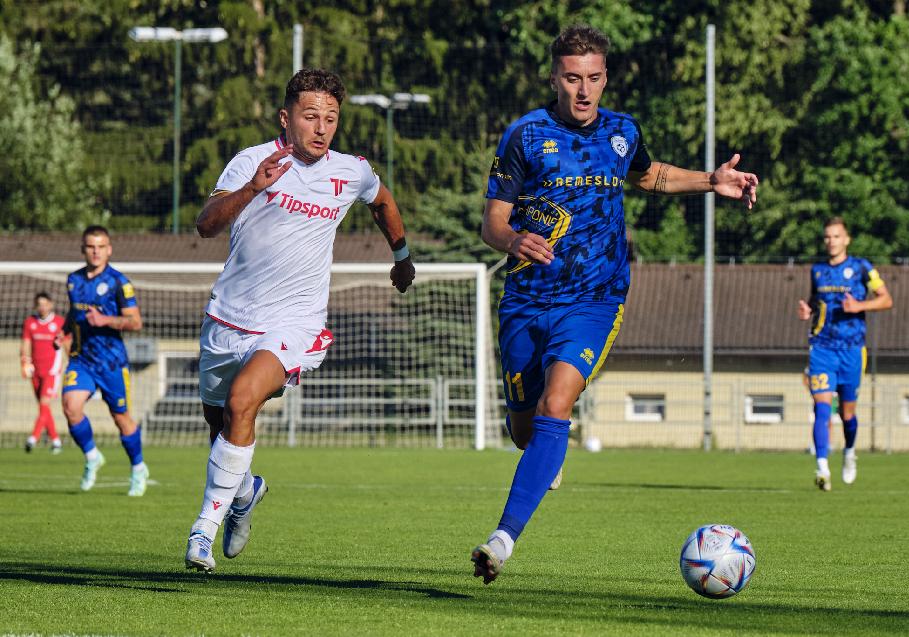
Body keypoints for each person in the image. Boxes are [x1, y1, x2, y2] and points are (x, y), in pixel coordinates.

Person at [471, 24, 759, 585]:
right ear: (553, 78)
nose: (583, 90)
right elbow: (492, 223)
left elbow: (650, 175)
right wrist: (513, 240)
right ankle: (544, 454)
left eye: (594, 78)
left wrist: (711, 180)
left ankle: (501, 540)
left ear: (605, 78)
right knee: (525, 426)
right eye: (572, 78)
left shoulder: (623, 131)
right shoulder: (524, 136)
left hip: (596, 299)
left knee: (557, 405)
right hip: (527, 299)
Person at [184, 68, 415, 573]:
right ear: (286, 119)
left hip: (294, 322)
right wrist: (253, 188)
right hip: (228, 318)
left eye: (331, 118)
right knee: (221, 426)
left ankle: (203, 529)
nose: (321, 127)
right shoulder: (252, 161)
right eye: (311, 116)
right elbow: (205, 225)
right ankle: (244, 491)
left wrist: (401, 257)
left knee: (243, 400)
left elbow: (382, 201)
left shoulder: (350, 171)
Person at [797, 217, 892, 491]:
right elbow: (815, 302)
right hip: (822, 347)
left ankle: (849, 452)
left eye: (836, 236)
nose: (831, 241)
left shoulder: (862, 268)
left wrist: (860, 306)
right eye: (827, 237)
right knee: (822, 408)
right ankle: (822, 468)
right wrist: (807, 310)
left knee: (847, 415)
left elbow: (886, 299)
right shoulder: (817, 271)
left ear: (846, 239)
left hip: (852, 349)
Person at [61, 226, 147, 495]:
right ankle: (92, 456)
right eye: (90, 246)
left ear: (109, 250)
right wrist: (63, 332)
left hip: (111, 362)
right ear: (83, 249)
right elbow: (74, 313)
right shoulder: (73, 280)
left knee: (120, 418)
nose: (95, 251)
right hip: (82, 359)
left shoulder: (119, 282)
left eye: (101, 246)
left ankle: (138, 468)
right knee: (70, 407)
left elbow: (136, 322)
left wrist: (105, 320)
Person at [21, 292, 66, 454]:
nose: (42, 307)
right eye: (39, 304)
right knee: (43, 408)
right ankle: (56, 441)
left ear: (51, 304)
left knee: (44, 403)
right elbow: (26, 343)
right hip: (35, 370)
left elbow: (67, 343)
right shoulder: (30, 322)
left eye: (45, 304)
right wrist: (25, 362)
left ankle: (33, 438)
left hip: (52, 371)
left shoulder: (59, 322)